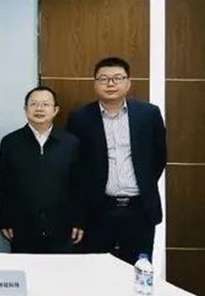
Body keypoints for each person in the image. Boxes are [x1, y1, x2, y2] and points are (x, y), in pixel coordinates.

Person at [66, 56, 167, 264]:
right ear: (95, 84)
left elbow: (159, 157)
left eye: (117, 78)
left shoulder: (148, 114)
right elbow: (76, 167)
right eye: (104, 79)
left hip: (139, 208)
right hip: (99, 209)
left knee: (137, 270)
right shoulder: (80, 118)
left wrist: (143, 182)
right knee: (97, 270)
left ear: (128, 83)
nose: (110, 84)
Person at [0, 86, 84, 254]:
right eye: (34, 104)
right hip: (23, 228)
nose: (39, 109)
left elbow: (79, 186)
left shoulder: (70, 143)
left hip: (62, 228)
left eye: (45, 104)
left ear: (55, 110)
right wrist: (4, 220)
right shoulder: (11, 142)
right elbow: (3, 186)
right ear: (25, 109)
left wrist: (79, 221)